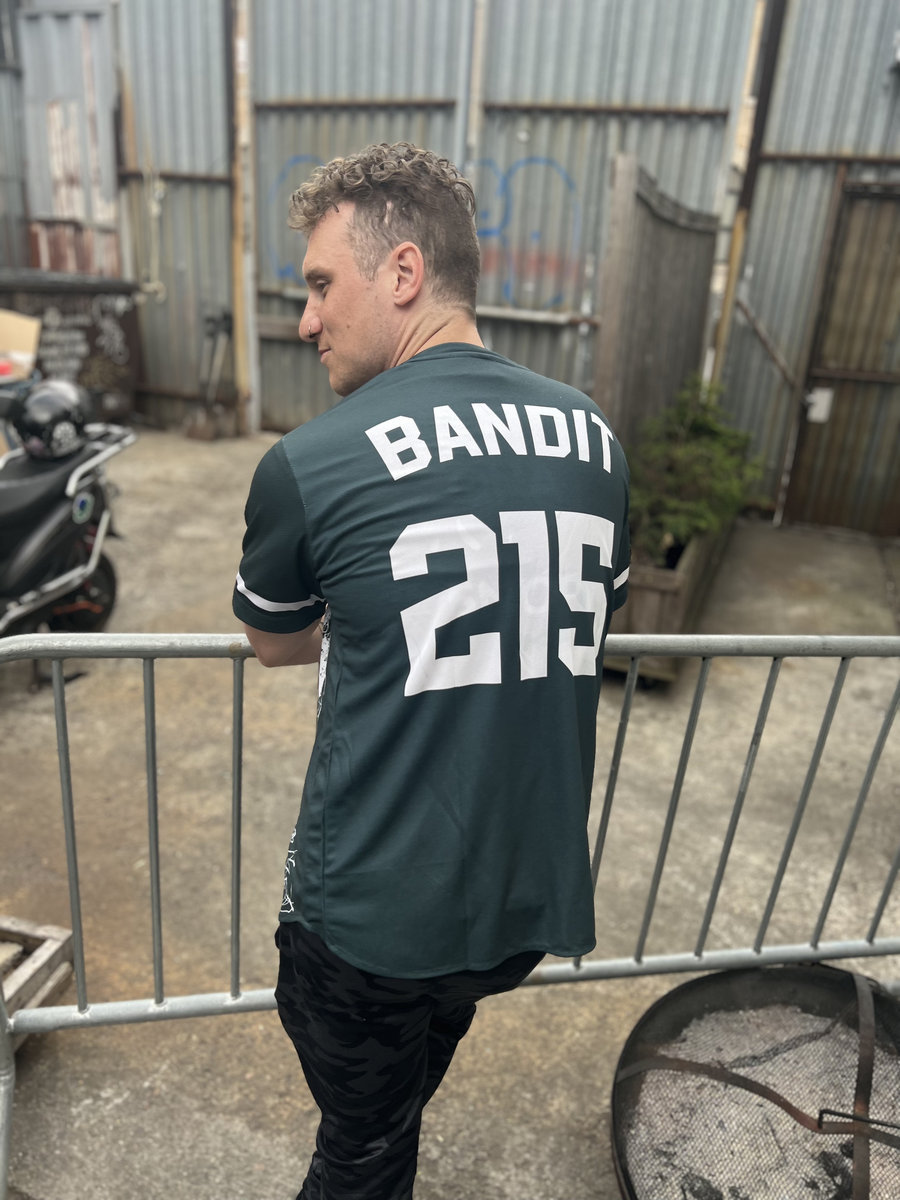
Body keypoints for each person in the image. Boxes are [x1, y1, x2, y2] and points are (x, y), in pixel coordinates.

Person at [233, 141, 630, 1200]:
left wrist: (366, 615)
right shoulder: (595, 440)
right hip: (515, 913)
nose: (307, 319)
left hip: (367, 928)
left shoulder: (311, 461)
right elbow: (585, 608)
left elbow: (275, 638)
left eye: (322, 284)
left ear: (403, 272)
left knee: (359, 1153)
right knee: (397, 1102)